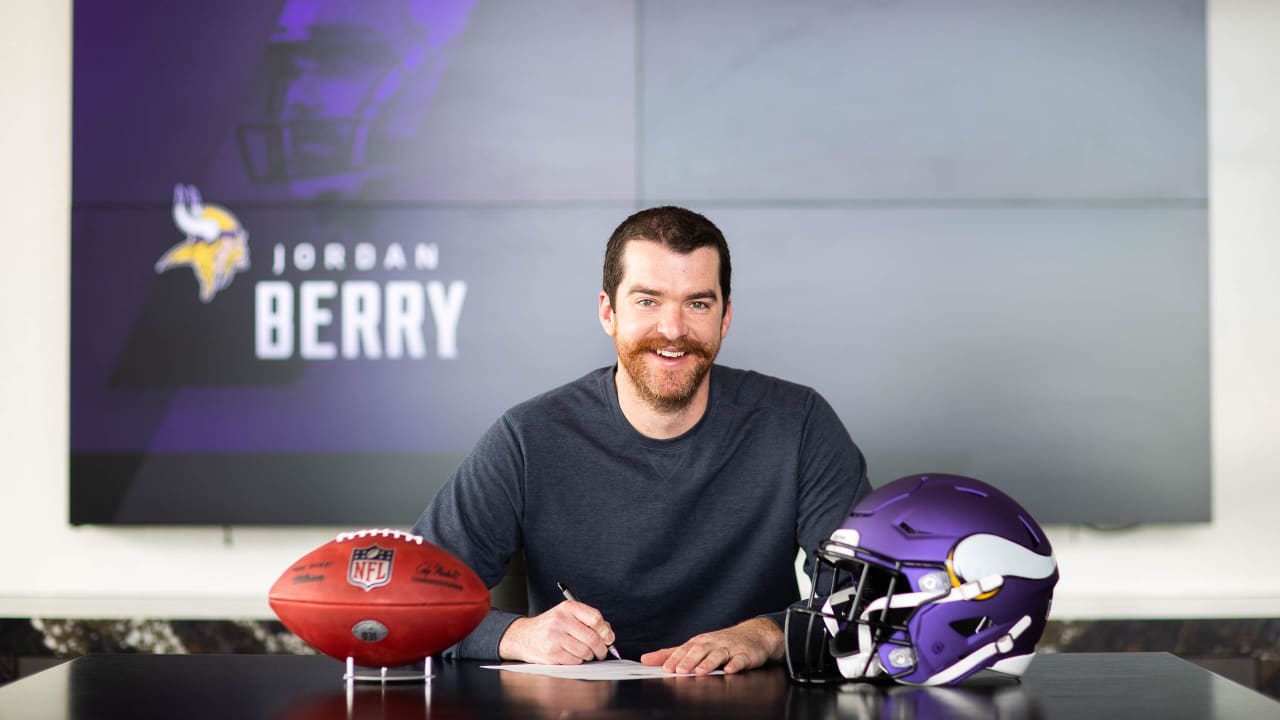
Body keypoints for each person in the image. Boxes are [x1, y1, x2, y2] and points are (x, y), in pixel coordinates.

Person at [412, 206, 869, 674]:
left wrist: (767, 635)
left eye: (697, 303)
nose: (672, 330)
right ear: (608, 312)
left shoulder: (799, 423)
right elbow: (405, 600)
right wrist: (515, 635)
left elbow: (866, 598)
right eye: (648, 301)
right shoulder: (528, 438)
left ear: (725, 317)